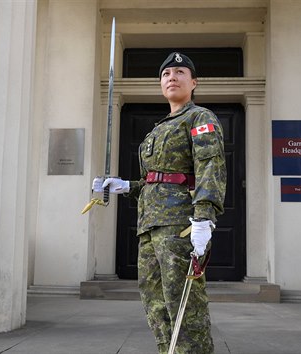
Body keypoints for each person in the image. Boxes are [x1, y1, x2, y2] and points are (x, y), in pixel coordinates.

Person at [92, 52, 226, 354]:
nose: (172, 78)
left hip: (179, 225)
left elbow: (209, 169)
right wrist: (127, 186)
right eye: (166, 74)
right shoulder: (158, 128)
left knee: (184, 303)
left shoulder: (199, 118)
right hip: (149, 225)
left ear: (193, 82)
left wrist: (204, 218)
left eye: (180, 72)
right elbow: (157, 181)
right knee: (155, 302)